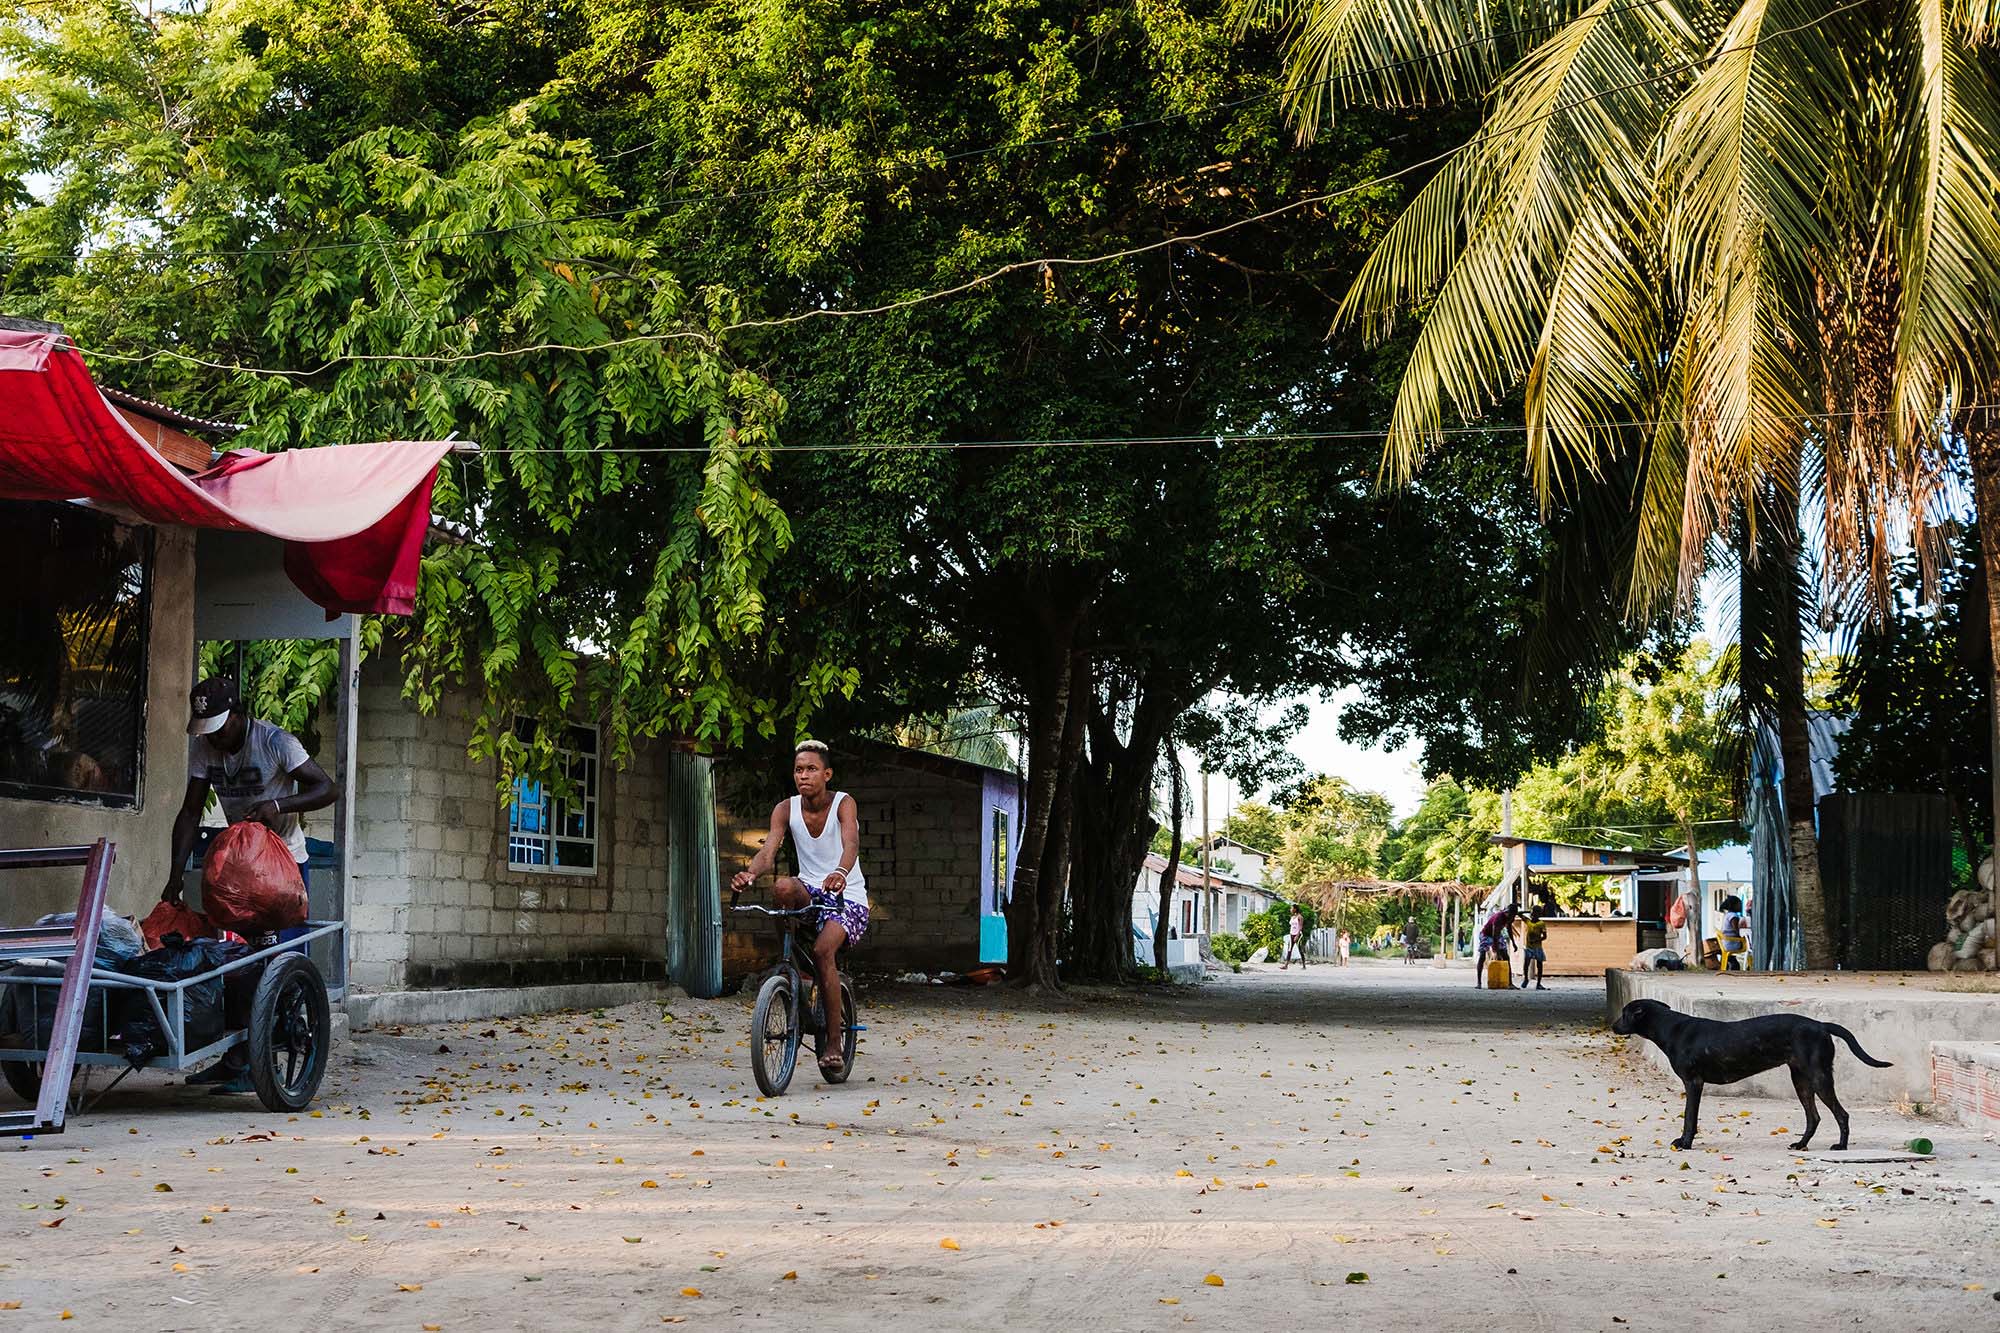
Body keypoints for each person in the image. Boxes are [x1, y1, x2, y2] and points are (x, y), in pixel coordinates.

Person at [164, 678, 335, 1094]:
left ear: (239, 715)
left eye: (221, 729)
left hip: (283, 868)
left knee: (281, 963)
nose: (216, 739)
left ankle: (274, 1055)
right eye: (209, 732)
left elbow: (327, 788)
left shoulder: (277, 741)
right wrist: (173, 879)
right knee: (238, 964)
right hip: (241, 872)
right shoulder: (207, 749)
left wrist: (278, 805)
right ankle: (238, 1057)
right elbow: (189, 812)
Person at [731, 741, 869, 1075]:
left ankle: (833, 1043)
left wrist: (840, 871)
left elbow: (851, 843)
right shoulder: (785, 809)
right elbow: (768, 852)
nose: (803, 776)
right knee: (781, 886)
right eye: (798, 769)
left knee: (824, 951)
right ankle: (791, 964)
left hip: (846, 896)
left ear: (827, 773)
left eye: (810, 769)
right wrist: (751, 872)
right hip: (810, 891)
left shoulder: (842, 804)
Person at [1475, 905, 1519, 988]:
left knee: (1506, 957)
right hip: (1486, 934)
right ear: (1505, 912)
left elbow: (1509, 929)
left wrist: (1513, 942)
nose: (1508, 916)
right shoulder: (1498, 918)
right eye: (1507, 913)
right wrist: (1497, 952)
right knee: (1482, 956)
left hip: (1498, 935)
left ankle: (1510, 983)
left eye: (1511, 915)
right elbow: (1495, 936)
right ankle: (1479, 983)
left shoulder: (1510, 917)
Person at [1717, 894, 1749, 971]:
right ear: (1734, 905)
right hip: (1732, 943)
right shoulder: (1733, 916)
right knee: (1749, 943)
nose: (1741, 906)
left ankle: (1730, 962)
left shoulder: (1727, 915)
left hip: (1726, 943)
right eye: (1739, 904)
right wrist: (1742, 937)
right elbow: (1737, 931)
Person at [1519, 910, 1549, 990]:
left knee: (1539, 965)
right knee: (1526, 964)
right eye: (1532, 913)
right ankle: (1526, 979)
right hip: (1529, 946)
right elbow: (1519, 913)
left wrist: (1537, 940)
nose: (1533, 915)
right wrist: (1527, 911)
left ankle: (1538, 983)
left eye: (1535, 914)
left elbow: (1545, 936)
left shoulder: (1541, 924)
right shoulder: (1528, 921)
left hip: (1537, 947)